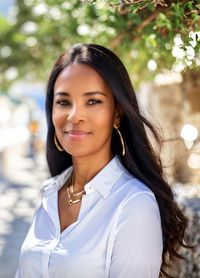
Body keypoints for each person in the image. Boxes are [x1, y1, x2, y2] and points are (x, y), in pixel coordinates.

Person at [16, 43, 188, 278]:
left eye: (93, 101)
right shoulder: (49, 193)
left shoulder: (134, 206)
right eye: (64, 102)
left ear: (117, 113)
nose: (74, 116)